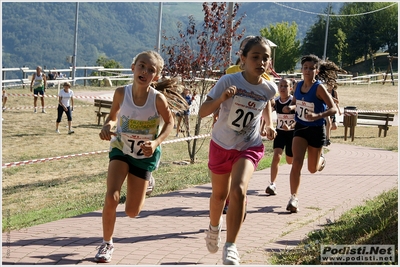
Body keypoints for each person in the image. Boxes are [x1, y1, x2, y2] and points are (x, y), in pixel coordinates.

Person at [94, 50, 188, 263]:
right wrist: (106, 127)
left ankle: (148, 180)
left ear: (155, 77)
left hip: (144, 155)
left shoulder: (157, 99)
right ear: (133, 67)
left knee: (132, 212)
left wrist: (155, 143)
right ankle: (107, 243)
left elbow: (170, 122)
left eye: (151, 70)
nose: (144, 71)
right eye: (142, 66)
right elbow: (112, 118)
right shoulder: (121, 93)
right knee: (112, 197)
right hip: (120, 148)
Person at [199, 36, 277, 265]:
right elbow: (203, 111)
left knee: (239, 190)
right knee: (219, 196)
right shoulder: (228, 80)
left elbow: (266, 102)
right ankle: (214, 229)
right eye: (255, 57)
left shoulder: (269, 88)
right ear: (243, 59)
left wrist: (269, 124)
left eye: (266, 58)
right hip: (221, 144)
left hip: (249, 146)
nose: (261, 62)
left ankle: (231, 246)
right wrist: (222, 98)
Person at [282, 54, 339, 213]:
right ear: (302, 69)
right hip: (300, 127)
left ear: (317, 71)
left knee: (312, 169)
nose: (307, 71)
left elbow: (333, 108)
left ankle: (321, 159)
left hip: (316, 129)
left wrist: (318, 116)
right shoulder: (298, 85)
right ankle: (294, 198)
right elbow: (295, 103)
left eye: (311, 68)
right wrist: (290, 108)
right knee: (296, 162)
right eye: (305, 68)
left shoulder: (319, 88)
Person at [266, 78, 296, 196]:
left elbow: (299, 119)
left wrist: (290, 126)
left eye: (285, 86)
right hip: (280, 133)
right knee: (276, 156)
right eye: (281, 86)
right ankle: (272, 184)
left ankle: (294, 165)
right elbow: (267, 112)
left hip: (292, 133)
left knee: (289, 161)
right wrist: (266, 127)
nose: (283, 88)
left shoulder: (293, 102)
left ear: (291, 88)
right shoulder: (276, 101)